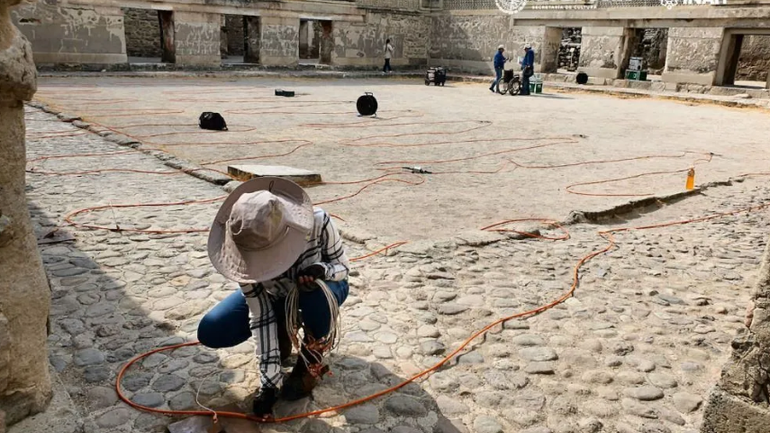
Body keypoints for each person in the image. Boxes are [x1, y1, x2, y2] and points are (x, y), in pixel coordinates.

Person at [198, 177, 350, 418]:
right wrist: (268, 385)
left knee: (316, 295)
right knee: (212, 329)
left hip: (322, 292)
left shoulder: (319, 221)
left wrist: (322, 270)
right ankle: (282, 333)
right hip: (275, 297)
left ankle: (309, 360)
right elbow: (260, 315)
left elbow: (342, 268)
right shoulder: (240, 250)